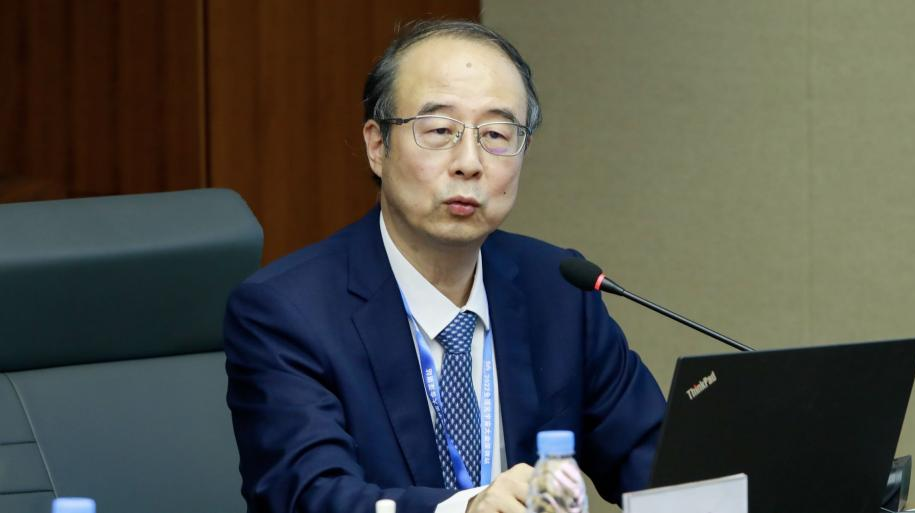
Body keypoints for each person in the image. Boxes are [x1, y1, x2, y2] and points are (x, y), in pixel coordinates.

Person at [224, 20, 666, 513]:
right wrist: (469, 509)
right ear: (377, 146)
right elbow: (309, 496)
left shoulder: (559, 288)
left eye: (496, 134)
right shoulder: (287, 312)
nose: (469, 163)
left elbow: (660, 467)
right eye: (439, 130)